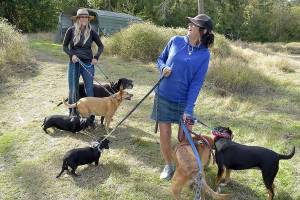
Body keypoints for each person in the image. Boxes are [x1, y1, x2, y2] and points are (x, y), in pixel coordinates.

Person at [151, 14, 214, 180]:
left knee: (185, 139)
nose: (189, 25)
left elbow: (196, 83)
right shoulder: (175, 40)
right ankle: (169, 165)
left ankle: (184, 166)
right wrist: (163, 67)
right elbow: (160, 59)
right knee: (165, 133)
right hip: (164, 95)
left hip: (184, 101)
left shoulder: (204, 55)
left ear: (203, 30)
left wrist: (188, 108)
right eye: (190, 23)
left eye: (194, 24)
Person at [63, 8, 104, 116]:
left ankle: (90, 116)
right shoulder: (70, 30)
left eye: (86, 17)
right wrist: (72, 55)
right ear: (78, 18)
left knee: (89, 89)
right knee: (73, 88)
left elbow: (101, 46)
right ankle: (73, 114)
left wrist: (96, 57)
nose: (84, 19)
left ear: (88, 19)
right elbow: (64, 46)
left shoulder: (92, 32)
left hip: (88, 64)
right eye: (82, 17)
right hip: (74, 63)